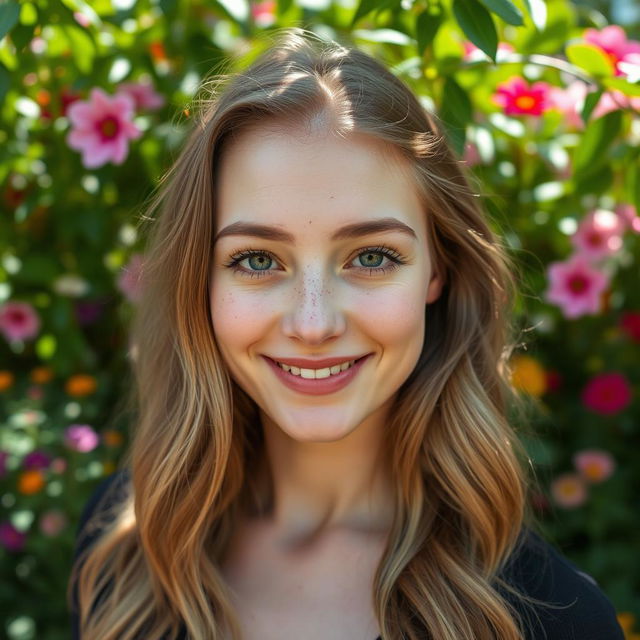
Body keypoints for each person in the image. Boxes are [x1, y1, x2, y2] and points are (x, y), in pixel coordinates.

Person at [67, 26, 625, 640]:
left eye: (372, 256)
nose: (313, 324)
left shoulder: (554, 619)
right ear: (200, 280)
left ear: (438, 271)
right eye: (257, 260)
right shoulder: (122, 547)